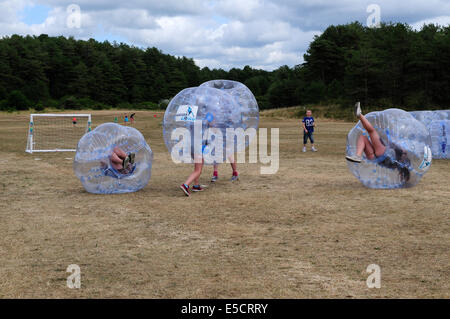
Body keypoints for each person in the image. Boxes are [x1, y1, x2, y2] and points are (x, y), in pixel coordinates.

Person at [346, 102, 411, 183]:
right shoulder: (398, 164)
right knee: (363, 138)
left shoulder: (401, 154)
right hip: (375, 159)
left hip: (383, 154)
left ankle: (359, 115)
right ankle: (358, 156)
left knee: (371, 131)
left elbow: (396, 147)